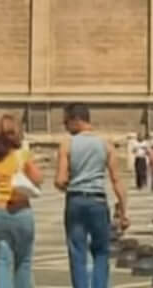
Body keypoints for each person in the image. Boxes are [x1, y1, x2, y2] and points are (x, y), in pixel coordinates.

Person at [54, 103, 127, 288]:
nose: (65, 127)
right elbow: (117, 180)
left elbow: (60, 179)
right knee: (101, 251)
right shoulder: (106, 145)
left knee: (77, 251)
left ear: (76, 120)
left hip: (75, 201)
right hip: (98, 201)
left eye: (66, 122)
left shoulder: (67, 144)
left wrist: (66, 184)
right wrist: (124, 211)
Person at [0, 114, 42, 288]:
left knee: (2, 260)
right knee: (23, 261)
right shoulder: (22, 155)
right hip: (20, 211)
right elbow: (38, 178)